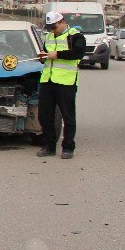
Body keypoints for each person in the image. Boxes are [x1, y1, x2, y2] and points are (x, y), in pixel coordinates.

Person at [36, 11, 85, 160]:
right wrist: (43, 57)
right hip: (48, 80)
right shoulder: (49, 36)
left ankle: (68, 147)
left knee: (68, 116)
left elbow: (78, 53)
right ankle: (49, 146)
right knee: (44, 116)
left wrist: (57, 54)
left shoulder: (75, 35)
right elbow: (46, 53)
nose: (53, 30)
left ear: (62, 22)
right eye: (50, 27)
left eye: (55, 27)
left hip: (66, 82)